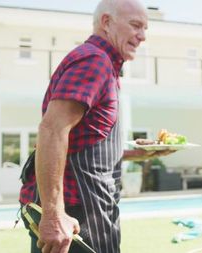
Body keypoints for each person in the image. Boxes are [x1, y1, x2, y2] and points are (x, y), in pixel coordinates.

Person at [18, 1, 167, 252]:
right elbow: (52, 130)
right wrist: (54, 216)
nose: (142, 36)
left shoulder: (106, 66)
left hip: (93, 213)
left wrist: (138, 153)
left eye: (145, 29)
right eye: (135, 25)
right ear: (106, 22)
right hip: (75, 219)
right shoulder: (94, 60)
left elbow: (83, 145)